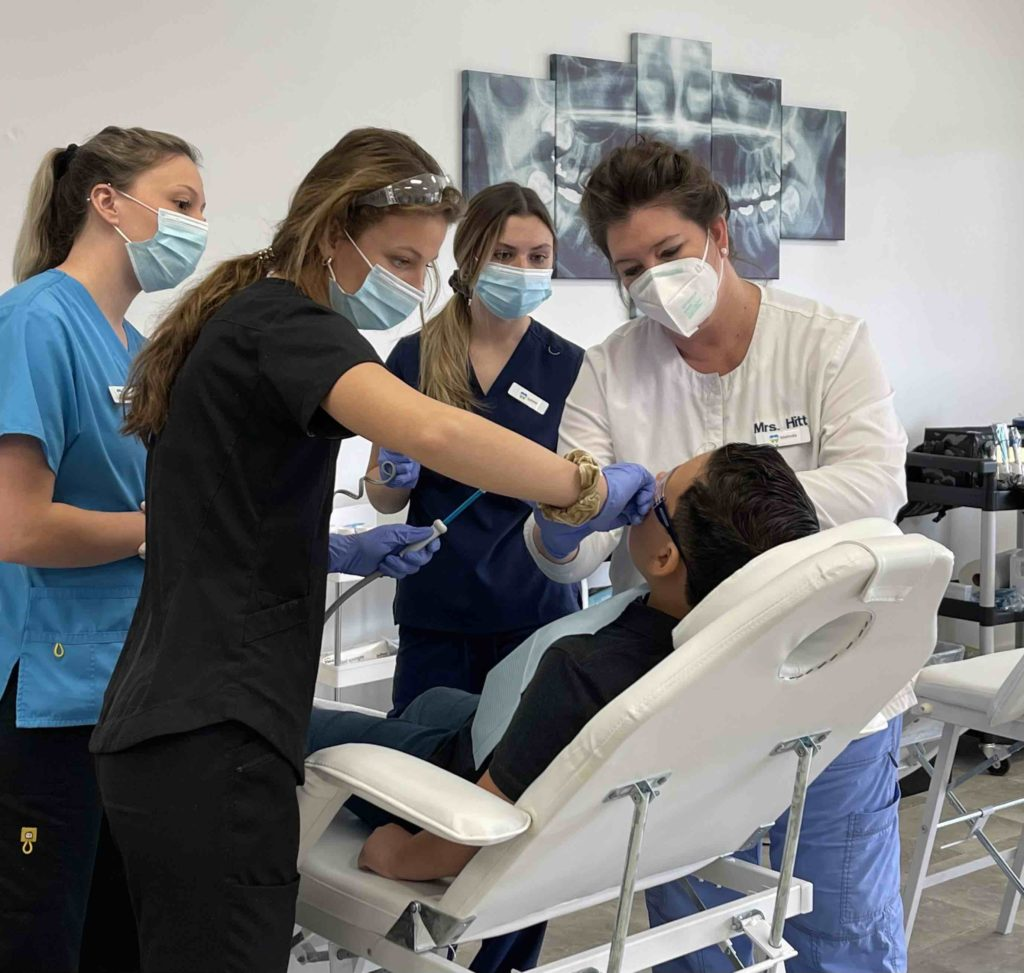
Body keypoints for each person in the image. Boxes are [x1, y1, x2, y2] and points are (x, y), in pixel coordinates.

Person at [88, 128, 653, 973]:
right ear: (330, 235)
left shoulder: (245, 320)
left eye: (425, 266)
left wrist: (340, 552)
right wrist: (585, 487)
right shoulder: (287, 320)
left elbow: (223, 521)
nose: (415, 286)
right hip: (213, 734)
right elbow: (430, 427)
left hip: (176, 726)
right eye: (401, 259)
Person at [525, 139, 910, 973]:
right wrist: (562, 517)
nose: (654, 280)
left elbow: (876, 491)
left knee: (839, 943)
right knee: (697, 944)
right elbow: (570, 552)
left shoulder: (827, 344)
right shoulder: (610, 371)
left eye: (670, 253)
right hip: (684, 712)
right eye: (631, 268)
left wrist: (694, 496)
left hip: (833, 698)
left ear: (720, 235)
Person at [305, 445, 820, 901]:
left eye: (659, 492)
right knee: (431, 701)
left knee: (295, 726)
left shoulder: (584, 669)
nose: (647, 482)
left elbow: (471, 832)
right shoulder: (728, 651)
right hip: (499, 739)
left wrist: (400, 857)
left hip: (458, 783)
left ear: (665, 557)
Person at [0, 126, 207, 973]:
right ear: (106, 201)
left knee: (115, 933)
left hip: (120, 682)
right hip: (47, 690)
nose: (199, 224)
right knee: (40, 932)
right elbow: (19, 525)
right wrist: (164, 525)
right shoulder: (35, 321)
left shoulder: (134, 347)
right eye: (183, 203)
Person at [364, 182, 584, 715]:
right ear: (470, 257)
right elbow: (383, 499)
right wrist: (392, 476)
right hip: (436, 610)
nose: (522, 269)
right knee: (423, 762)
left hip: (535, 608)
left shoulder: (569, 365)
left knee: (523, 771)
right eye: (505, 255)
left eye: (539, 257)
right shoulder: (414, 357)